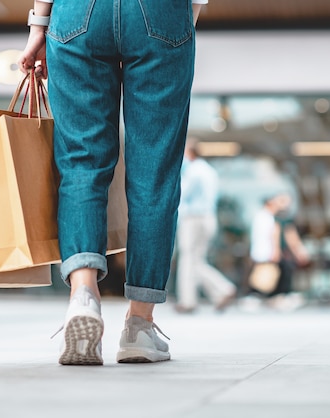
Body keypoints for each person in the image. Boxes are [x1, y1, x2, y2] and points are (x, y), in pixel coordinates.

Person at [18, 0, 207, 365]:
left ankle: (84, 296)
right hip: (162, 12)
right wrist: (184, 22)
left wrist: (38, 25)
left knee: (80, 163)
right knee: (154, 173)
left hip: (77, 14)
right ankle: (140, 325)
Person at [175, 138, 237, 313]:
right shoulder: (210, 171)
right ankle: (221, 291)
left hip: (193, 219)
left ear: (190, 152)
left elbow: (181, 192)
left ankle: (188, 301)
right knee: (197, 259)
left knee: (188, 260)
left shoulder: (193, 171)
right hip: (209, 217)